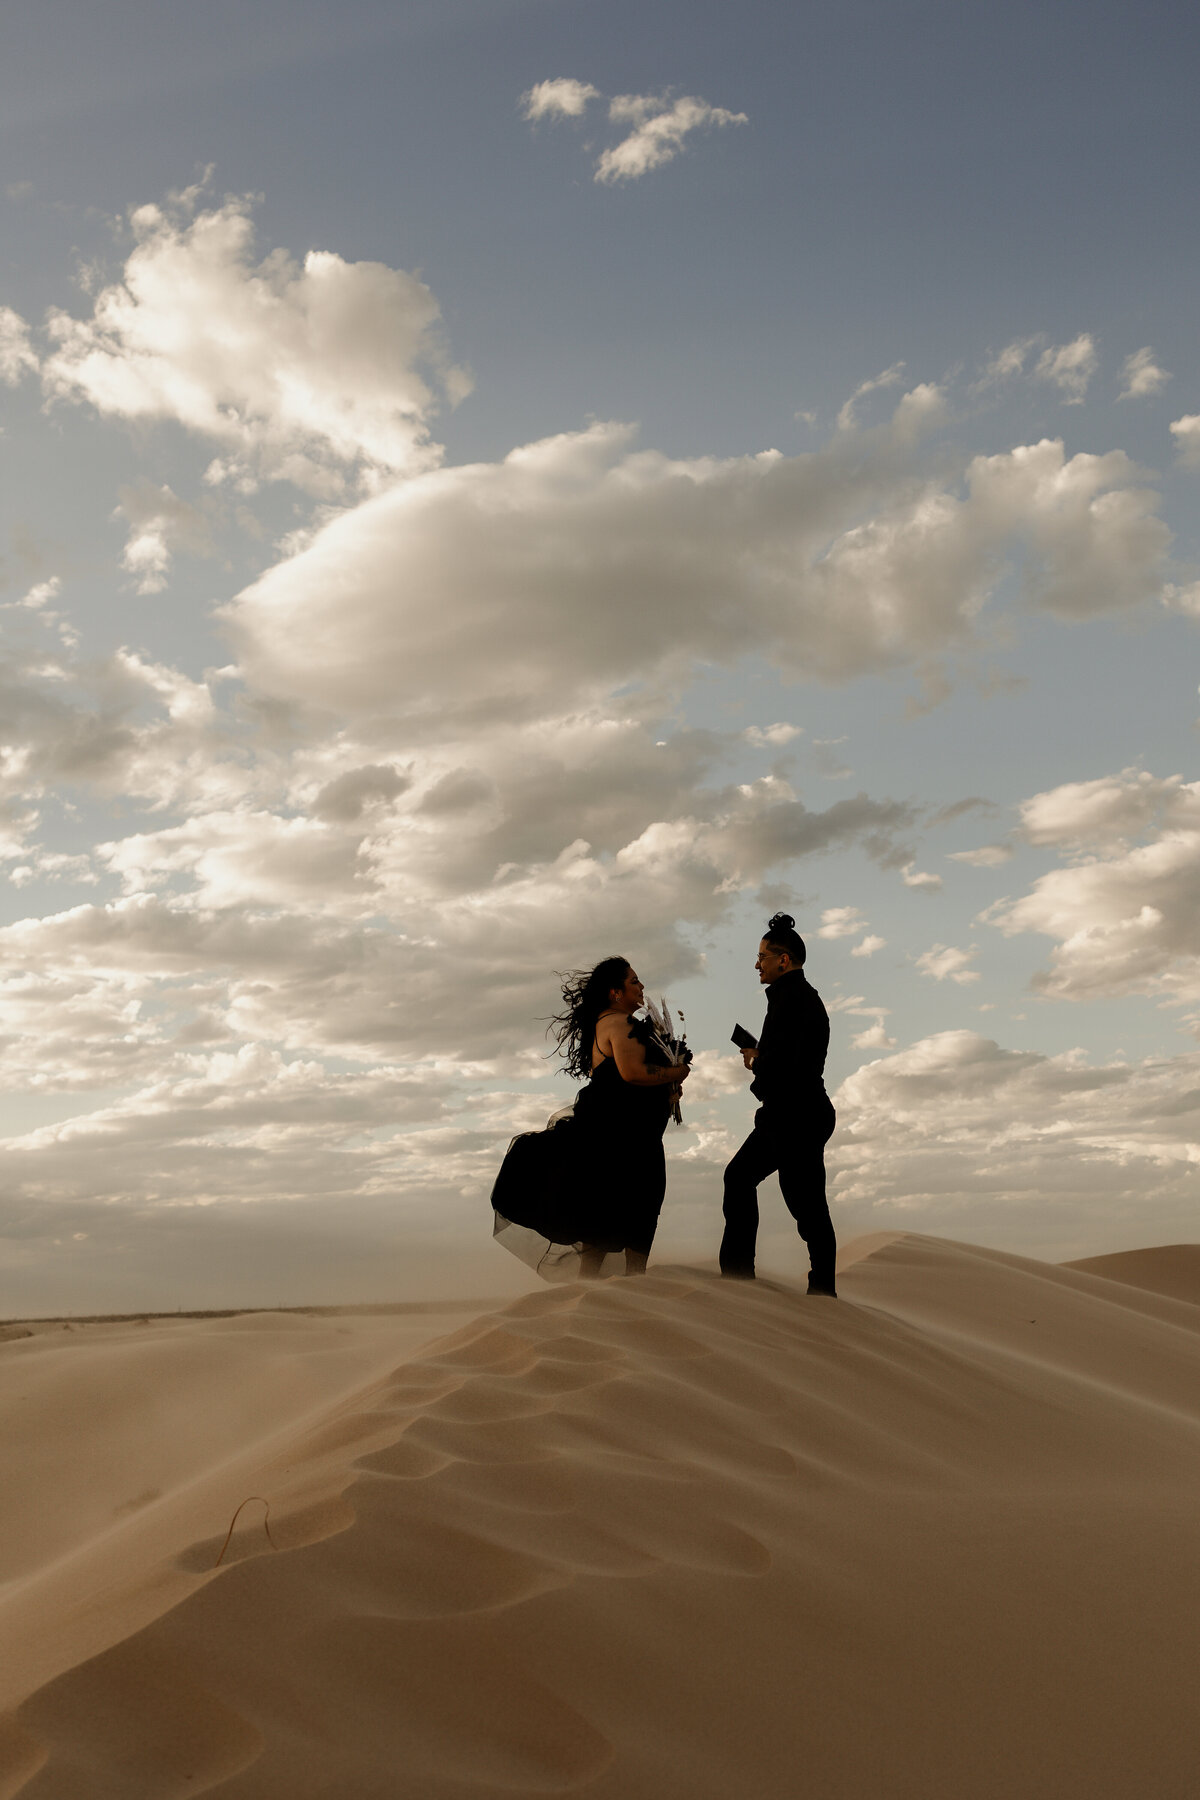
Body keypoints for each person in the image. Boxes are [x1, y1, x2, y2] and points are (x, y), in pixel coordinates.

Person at [490, 957, 690, 1280]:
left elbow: (628, 1083)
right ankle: (626, 1302)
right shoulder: (620, 1025)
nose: (641, 988)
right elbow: (632, 1073)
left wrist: (666, 1090)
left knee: (601, 1229)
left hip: (612, 1141)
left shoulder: (608, 1023)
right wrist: (678, 1070)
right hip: (623, 1144)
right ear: (615, 992)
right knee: (636, 1217)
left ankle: (593, 1307)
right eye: (634, 982)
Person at [720, 913, 838, 1295]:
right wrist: (763, 1056)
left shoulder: (792, 999)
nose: (757, 964)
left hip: (795, 1115)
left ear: (782, 960)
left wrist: (758, 1061)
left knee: (806, 1207)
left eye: (762, 957)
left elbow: (790, 1065)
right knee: (743, 1179)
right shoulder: (797, 998)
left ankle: (820, 1290)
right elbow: (790, 1056)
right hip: (791, 1113)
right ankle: (742, 1274)